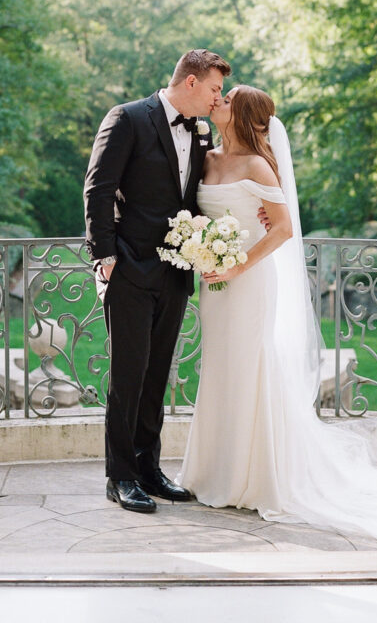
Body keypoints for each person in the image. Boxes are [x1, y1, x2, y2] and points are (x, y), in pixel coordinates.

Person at [177, 84, 377, 547]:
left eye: (227, 100)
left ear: (244, 116)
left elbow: (284, 228)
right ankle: (212, 471)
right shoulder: (206, 158)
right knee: (220, 370)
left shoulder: (258, 166)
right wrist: (201, 252)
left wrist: (238, 263)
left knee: (252, 365)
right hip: (214, 285)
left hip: (249, 281)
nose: (219, 102)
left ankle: (255, 476)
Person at [84, 49, 232, 514]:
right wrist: (105, 256)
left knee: (156, 377)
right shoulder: (127, 118)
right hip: (128, 267)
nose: (217, 98)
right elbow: (98, 187)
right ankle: (121, 476)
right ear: (190, 83)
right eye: (214, 89)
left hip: (176, 271)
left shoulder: (202, 131)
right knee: (128, 376)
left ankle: (150, 468)